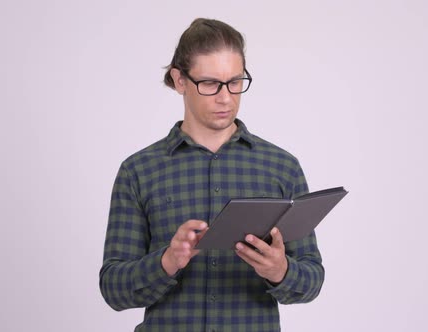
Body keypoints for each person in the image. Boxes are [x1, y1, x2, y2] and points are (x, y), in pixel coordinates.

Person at [99, 18, 324, 332]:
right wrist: (166, 262)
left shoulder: (281, 167)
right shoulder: (139, 170)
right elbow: (113, 288)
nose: (226, 97)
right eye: (209, 83)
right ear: (179, 80)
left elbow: (312, 279)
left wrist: (280, 270)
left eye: (235, 81)